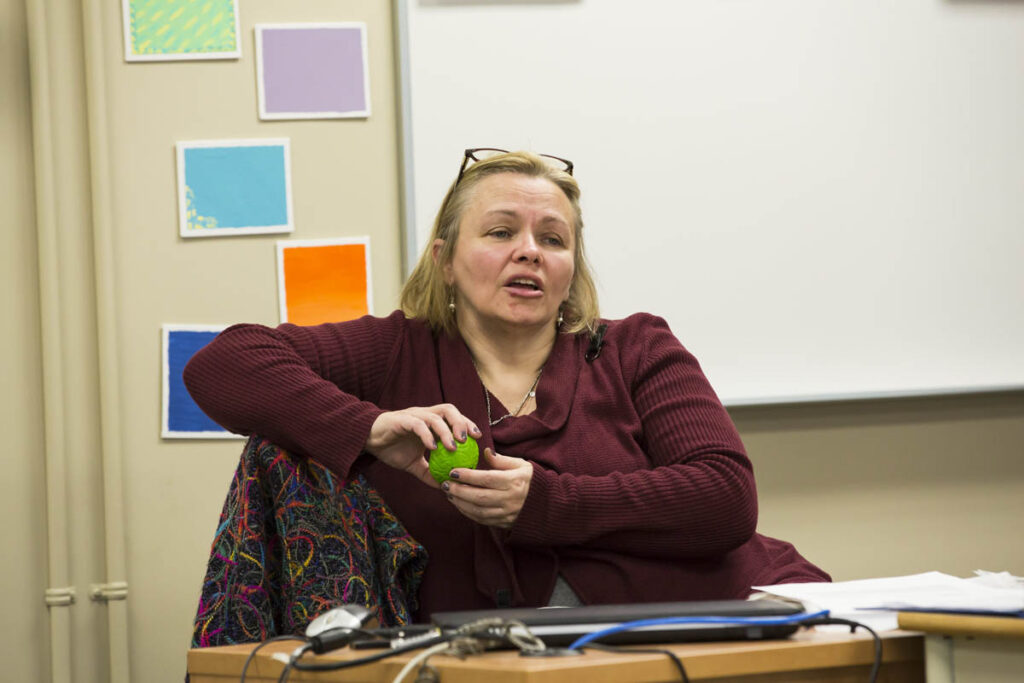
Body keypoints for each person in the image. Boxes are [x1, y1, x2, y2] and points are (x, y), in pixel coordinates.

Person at [184, 148, 829, 623]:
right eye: (500, 232)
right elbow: (223, 364)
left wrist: (545, 503)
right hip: (482, 655)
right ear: (445, 261)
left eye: (553, 238)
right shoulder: (394, 351)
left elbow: (725, 499)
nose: (530, 252)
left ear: (571, 267)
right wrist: (374, 430)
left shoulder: (636, 346)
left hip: (682, 632)